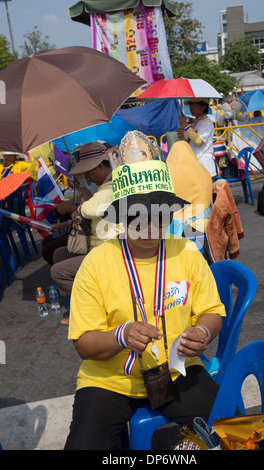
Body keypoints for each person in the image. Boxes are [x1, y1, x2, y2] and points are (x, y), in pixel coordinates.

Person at [64, 131, 226, 450]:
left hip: (177, 370)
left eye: (159, 212)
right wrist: (120, 336)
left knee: (236, 431)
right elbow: (84, 344)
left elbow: (212, 312)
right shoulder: (96, 264)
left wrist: (204, 333)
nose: (150, 224)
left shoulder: (188, 254)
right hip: (109, 380)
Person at [50, 141, 122, 325]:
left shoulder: (110, 187)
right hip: (98, 246)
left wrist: (74, 209)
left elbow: (89, 210)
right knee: (59, 254)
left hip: (108, 251)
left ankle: (96, 306)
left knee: (58, 272)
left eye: (89, 171)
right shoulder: (104, 187)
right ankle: (82, 304)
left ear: (101, 167)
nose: (88, 176)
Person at [177, 98, 216, 178]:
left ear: (203, 107)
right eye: (190, 105)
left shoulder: (206, 122)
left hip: (205, 166)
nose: (191, 108)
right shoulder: (194, 122)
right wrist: (182, 137)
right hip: (195, 165)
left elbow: (198, 141)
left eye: (194, 105)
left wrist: (185, 125)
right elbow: (188, 143)